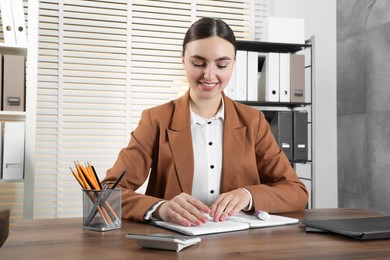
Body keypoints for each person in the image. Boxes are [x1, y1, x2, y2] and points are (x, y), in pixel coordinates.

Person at [102, 17, 308, 227]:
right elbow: (107, 192)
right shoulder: (156, 119)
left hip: (240, 245)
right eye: (198, 63)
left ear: (233, 64)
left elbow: (296, 191)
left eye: (222, 64)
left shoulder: (253, 121)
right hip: (174, 243)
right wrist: (159, 208)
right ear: (183, 61)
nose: (209, 75)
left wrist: (247, 195)